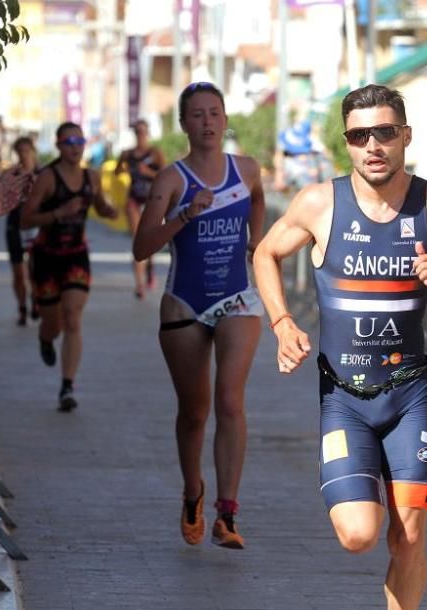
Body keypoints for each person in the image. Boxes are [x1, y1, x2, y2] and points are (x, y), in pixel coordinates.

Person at [253, 84, 427, 610]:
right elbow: (264, 253)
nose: (373, 146)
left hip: (410, 395)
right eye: (359, 136)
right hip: (345, 397)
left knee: (408, 530)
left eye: (384, 132)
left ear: (405, 135)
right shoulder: (319, 203)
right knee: (359, 533)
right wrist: (282, 323)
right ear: (347, 143)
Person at [132, 82, 264, 550]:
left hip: (237, 298)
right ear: (184, 124)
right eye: (197, 114)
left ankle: (227, 514)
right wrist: (185, 215)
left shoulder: (246, 170)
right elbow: (141, 247)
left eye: (215, 113)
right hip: (184, 302)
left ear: (226, 120)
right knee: (195, 412)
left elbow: (259, 201)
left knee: (230, 400)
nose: (207, 122)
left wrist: (257, 243)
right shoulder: (171, 179)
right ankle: (194, 493)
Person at [20, 121, 117, 411]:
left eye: (79, 141)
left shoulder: (93, 177)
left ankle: (67, 386)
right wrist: (59, 212)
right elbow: (26, 219)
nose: (75, 147)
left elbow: (99, 204)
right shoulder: (47, 178)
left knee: (73, 317)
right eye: (68, 142)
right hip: (47, 257)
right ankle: (45, 337)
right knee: (54, 323)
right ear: (59, 146)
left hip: (76, 255)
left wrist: (108, 210)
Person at [115, 119, 165, 298]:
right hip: (134, 199)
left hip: (152, 200)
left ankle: (150, 268)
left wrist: (148, 173)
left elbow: (166, 174)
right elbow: (117, 171)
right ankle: (139, 284)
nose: (140, 135)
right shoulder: (128, 154)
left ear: (148, 133)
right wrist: (123, 168)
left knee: (149, 239)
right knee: (137, 240)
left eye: (143, 132)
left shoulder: (155, 152)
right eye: (137, 132)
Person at [4, 136, 40, 325]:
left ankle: (35, 299)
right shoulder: (13, 174)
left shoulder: (43, 173)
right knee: (18, 271)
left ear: (33, 151)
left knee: (35, 269)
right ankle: (22, 307)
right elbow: (2, 199)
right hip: (16, 224)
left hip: (36, 225)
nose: (23, 155)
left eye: (26, 151)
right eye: (20, 151)